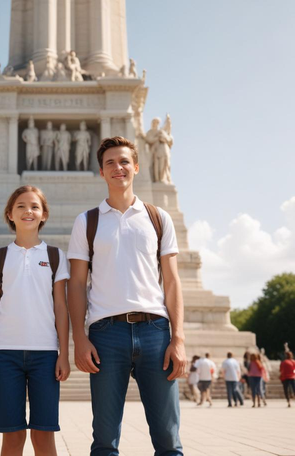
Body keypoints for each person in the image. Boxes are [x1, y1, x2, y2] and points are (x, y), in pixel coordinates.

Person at [67, 136, 185, 455]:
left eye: (123, 162)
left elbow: (172, 282)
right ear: (101, 173)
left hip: (156, 333)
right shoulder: (86, 222)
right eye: (109, 163)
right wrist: (79, 337)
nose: (117, 167)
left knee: (169, 440)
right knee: (104, 441)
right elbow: (76, 285)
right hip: (106, 335)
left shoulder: (158, 218)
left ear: (136, 166)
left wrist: (179, 339)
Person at [0, 185, 70, 456]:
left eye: (34, 206)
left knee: (44, 437)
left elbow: (61, 308)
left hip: (46, 355)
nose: (27, 211)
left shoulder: (55, 256)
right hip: (5, 355)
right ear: (10, 214)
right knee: (13, 437)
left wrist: (64, 354)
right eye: (20, 206)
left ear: (44, 215)